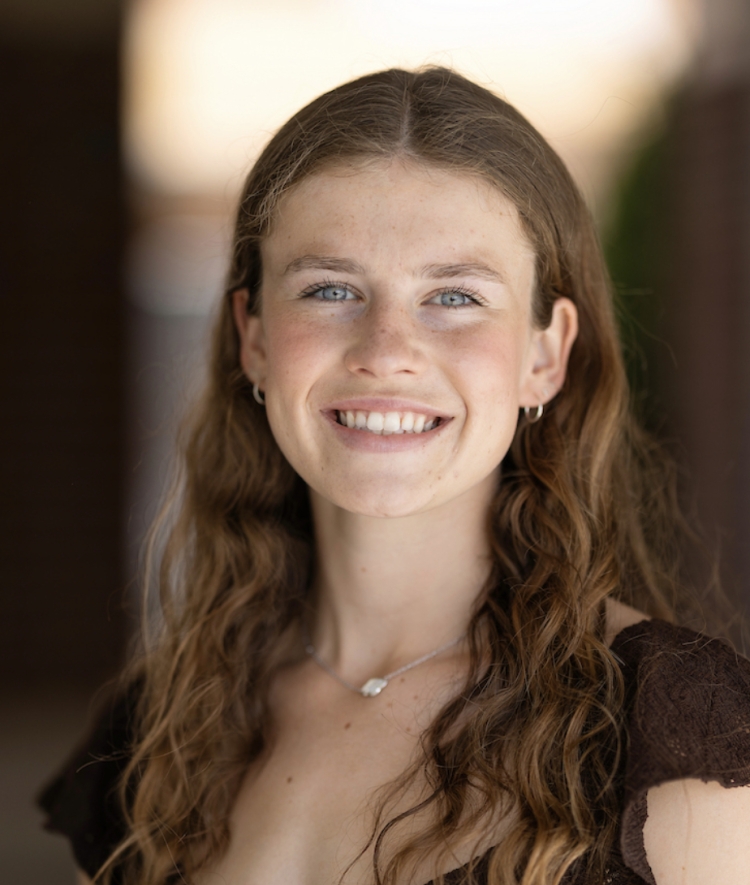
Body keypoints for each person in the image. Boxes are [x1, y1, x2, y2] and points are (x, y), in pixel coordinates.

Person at [40, 67, 750, 885]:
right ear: (255, 335)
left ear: (545, 355)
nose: (385, 349)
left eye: (453, 295)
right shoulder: (164, 724)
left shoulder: (672, 734)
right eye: (331, 288)